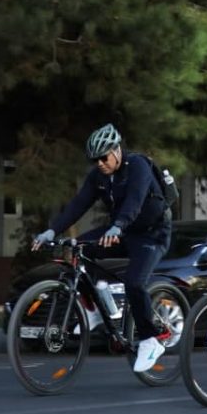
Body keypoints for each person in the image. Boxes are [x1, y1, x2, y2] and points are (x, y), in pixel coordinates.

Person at [32, 123, 172, 373]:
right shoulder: (99, 176)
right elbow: (78, 204)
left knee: (134, 284)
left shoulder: (138, 166)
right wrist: (52, 231)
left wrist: (118, 226)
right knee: (80, 250)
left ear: (117, 151)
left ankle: (152, 339)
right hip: (120, 231)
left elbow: (135, 200)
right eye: (94, 159)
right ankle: (95, 308)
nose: (99, 163)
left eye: (103, 157)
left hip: (152, 234)